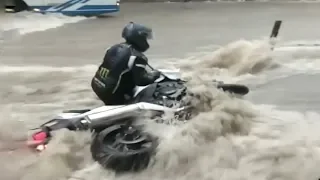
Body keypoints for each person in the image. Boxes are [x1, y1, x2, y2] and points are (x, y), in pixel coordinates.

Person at [91, 22, 161, 105]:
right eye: (145, 37)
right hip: (112, 94)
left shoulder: (114, 47)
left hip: (96, 85)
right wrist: (155, 75)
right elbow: (141, 81)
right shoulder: (137, 57)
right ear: (139, 38)